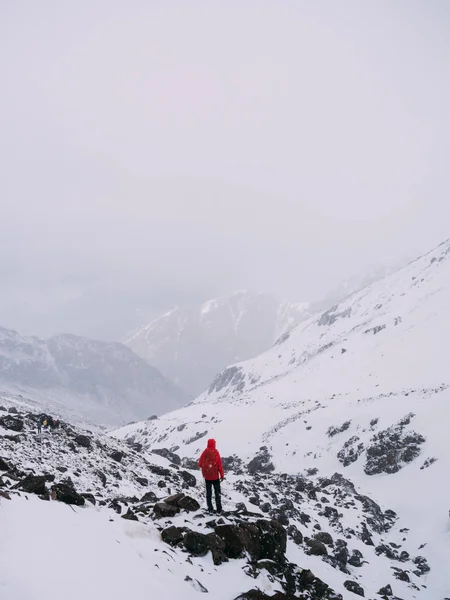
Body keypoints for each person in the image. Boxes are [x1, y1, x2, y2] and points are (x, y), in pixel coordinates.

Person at [198, 438, 224, 514]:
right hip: (215, 477)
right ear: (214, 444)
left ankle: (210, 509)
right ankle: (219, 510)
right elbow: (219, 465)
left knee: (208, 494)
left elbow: (199, 464)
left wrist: (206, 467)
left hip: (207, 477)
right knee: (217, 494)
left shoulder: (205, 452)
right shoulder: (216, 452)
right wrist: (222, 475)